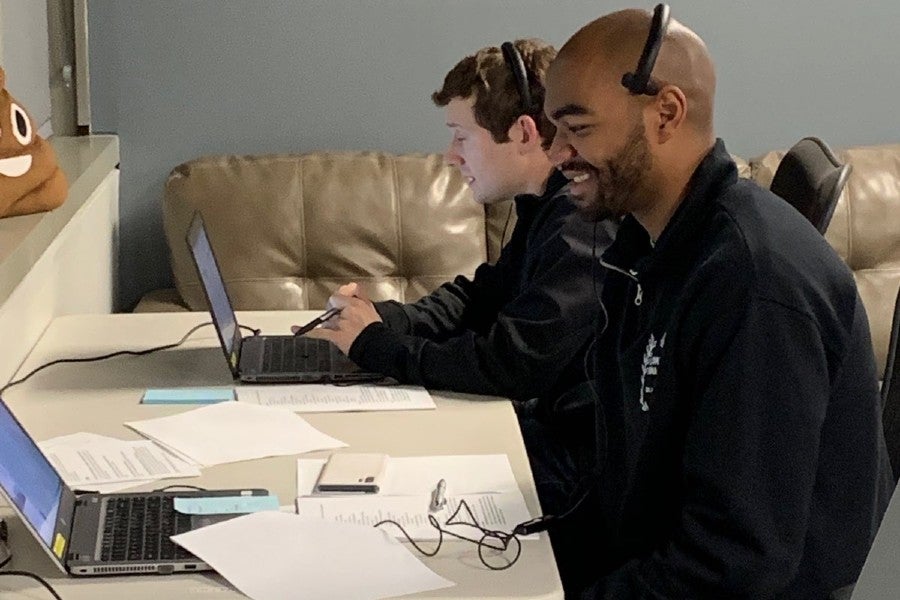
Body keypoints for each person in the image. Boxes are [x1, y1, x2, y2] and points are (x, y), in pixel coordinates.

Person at [539, 7, 893, 598]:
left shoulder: (754, 284)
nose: (555, 153)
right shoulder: (652, 249)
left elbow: (733, 564)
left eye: (576, 128)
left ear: (666, 114)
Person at [299, 39, 614, 406]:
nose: (451, 156)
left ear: (524, 133)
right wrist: (384, 319)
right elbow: (480, 299)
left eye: (462, 136)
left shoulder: (584, 224)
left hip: (566, 451)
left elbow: (510, 366)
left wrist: (374, 344)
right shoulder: (544, 207)